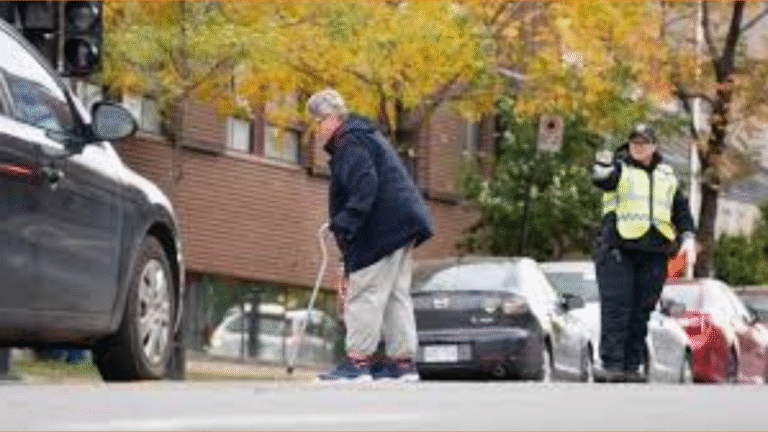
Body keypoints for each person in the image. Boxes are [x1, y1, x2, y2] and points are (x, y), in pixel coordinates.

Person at [307, 88, 434, 381]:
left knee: (365, 292)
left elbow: (365, 185)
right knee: (395, 295)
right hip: (403, 223)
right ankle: (402, 365)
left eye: (318, 121)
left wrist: (344, 221)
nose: (317, 129)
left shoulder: (350, 141)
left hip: (383, 227)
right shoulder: (364, 135)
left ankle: (357, 362)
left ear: (331, 118)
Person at [592, 124, 696, 383]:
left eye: (644, 142)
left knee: (642, 311)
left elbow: (680, 210)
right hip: (619, 249)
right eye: (635, 143)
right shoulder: (619, 168)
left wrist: (688, 237)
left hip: (655, 251)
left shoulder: (666, 175)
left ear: (654, 146)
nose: (639, 147)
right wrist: (602, 166)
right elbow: (603, 180)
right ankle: (612, 364)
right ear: (629, 146)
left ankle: (631, 365)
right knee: (617, 309)